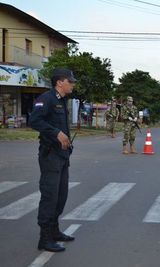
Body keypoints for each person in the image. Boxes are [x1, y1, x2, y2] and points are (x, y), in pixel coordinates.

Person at [30, 68, 77, 252]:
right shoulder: (46, 99)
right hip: (50, 156)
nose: (72, 84)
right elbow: (35, 121)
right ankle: (45, 238)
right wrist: (56, 133)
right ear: (60, 82)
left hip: (62, 156)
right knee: (50, 196)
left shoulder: (62, 100)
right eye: (70, 81)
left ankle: (55, 231)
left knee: (61, 196)